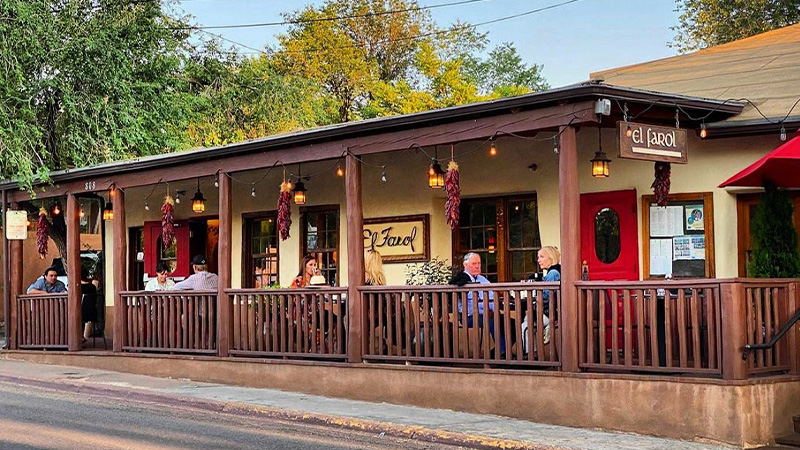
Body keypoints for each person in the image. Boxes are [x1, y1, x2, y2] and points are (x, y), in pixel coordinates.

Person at [448, 252, 503, 354]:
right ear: (465, 265)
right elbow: (461, 305)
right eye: (474, 264)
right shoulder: (461, 279)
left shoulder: (483, 280)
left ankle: (499, 351)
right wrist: (485, 311)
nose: (477, 266)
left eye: (479, 263)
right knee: (491, 319)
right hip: (469, 316)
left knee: (509, 322)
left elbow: (492, 298)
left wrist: (495, 310)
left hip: (487, 314)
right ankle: (503, 353)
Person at [80, 267, 98, 344]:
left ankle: (79, 337)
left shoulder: (78, 287)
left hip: (81, 312)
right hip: (92, 312)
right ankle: (83, 336)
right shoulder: (92, 287)